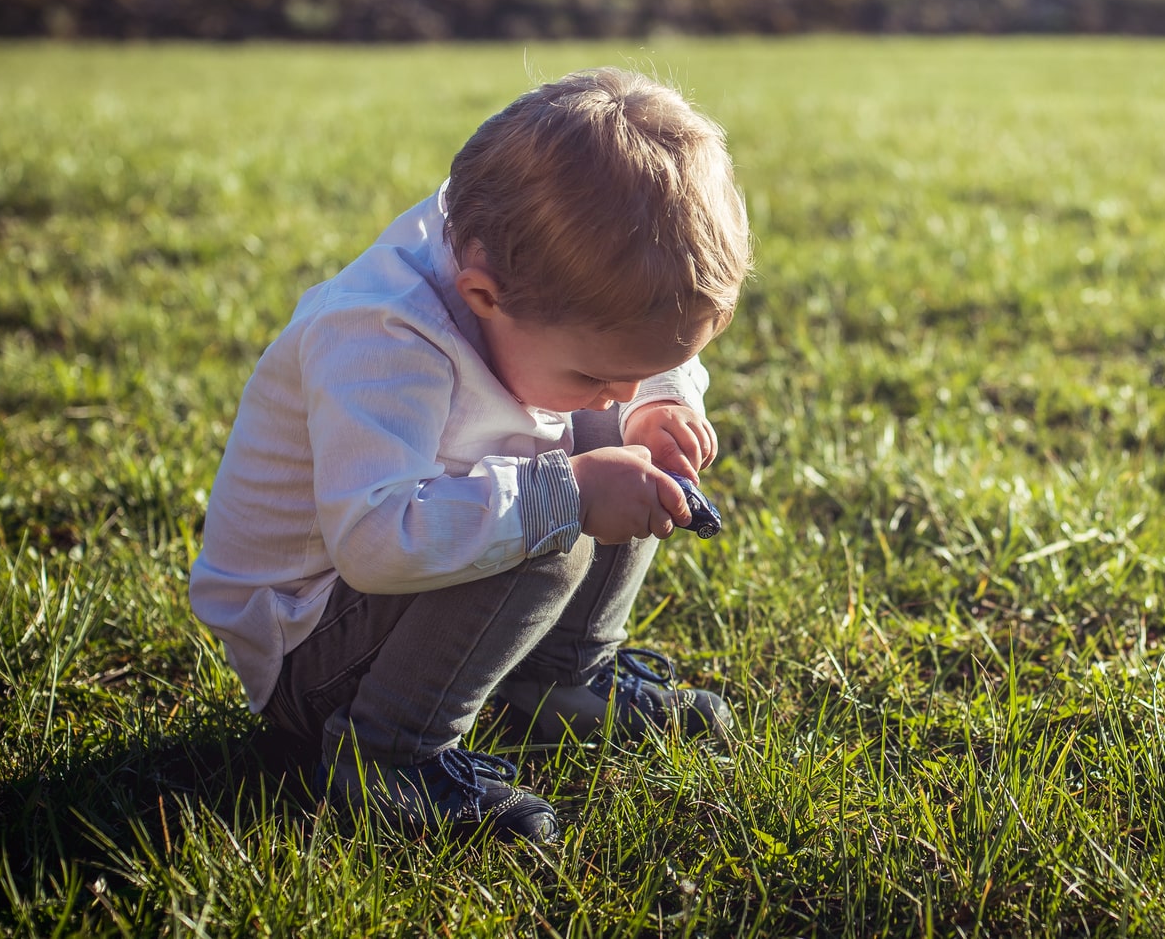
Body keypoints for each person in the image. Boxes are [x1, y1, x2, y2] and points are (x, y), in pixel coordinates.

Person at [188, 68, 751, 845]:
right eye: (594, 374)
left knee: (606, 451)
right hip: (311, 639)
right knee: (546, 528)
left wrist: (661, 399)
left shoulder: (536, 274)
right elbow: (375, 543)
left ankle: (562, 676)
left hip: (392, 576)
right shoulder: (382, 334)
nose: (613, 390)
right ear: (483, 296)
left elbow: (636, 360)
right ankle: (387, 755)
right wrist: (573, 496)